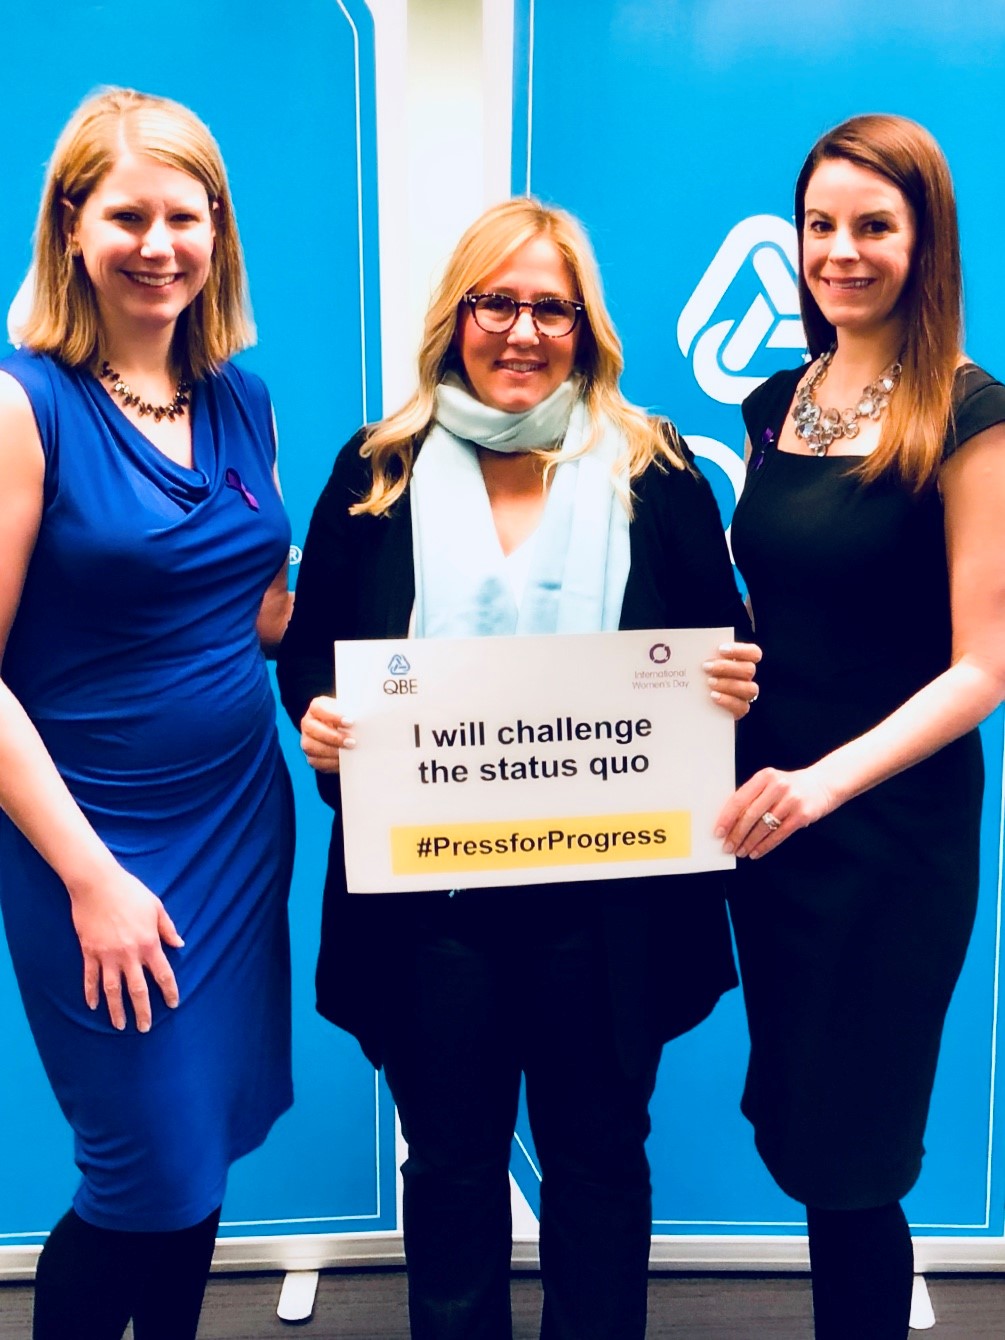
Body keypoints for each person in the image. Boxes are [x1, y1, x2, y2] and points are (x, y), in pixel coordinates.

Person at [277, 196, 759, 1340]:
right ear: (457, 315)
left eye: (553, 307)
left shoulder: (654, 467)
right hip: (433, 906)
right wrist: (322, 721)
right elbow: (311, 658)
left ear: (586, 326)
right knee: (449, 1167)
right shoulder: (378, 468)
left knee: (600, 1164)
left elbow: (723, 644)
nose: (523, 330)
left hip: (609, 907)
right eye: (496, 302)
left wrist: (731, 683)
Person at [0, 88, 295, 1340]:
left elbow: (258, 609)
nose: (159, 245)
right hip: (95, 845)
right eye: (128, 216)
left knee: (201, 1153)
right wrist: (90, 878)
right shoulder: (23, 405)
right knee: (145, 1171)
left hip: (238, 825)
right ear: (72, 226)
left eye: (186, 216)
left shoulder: (242, 399)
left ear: (217, 230)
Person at [715, 113, 1005, 1339]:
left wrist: (825, 783)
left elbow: (986, 663)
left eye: (873, 226)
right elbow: (788, 598)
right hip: (769, 823)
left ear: (924, 240)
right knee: (803, 1125)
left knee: (856, 1152)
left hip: (888, 835)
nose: (840, 251)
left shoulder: (971, 413)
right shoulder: (773, 402)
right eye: (819, 225)